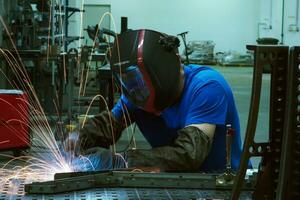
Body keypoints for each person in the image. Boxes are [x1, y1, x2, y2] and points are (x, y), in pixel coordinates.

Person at [67, 29, 243, 172]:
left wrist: (122, 161)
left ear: (163, 74)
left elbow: (189, 155)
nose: (137, 91)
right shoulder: (137, 93)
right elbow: (108, 125)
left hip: (219, 184)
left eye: (140, 83)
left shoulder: (207, 87)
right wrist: (78, 138)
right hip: (172, 182)